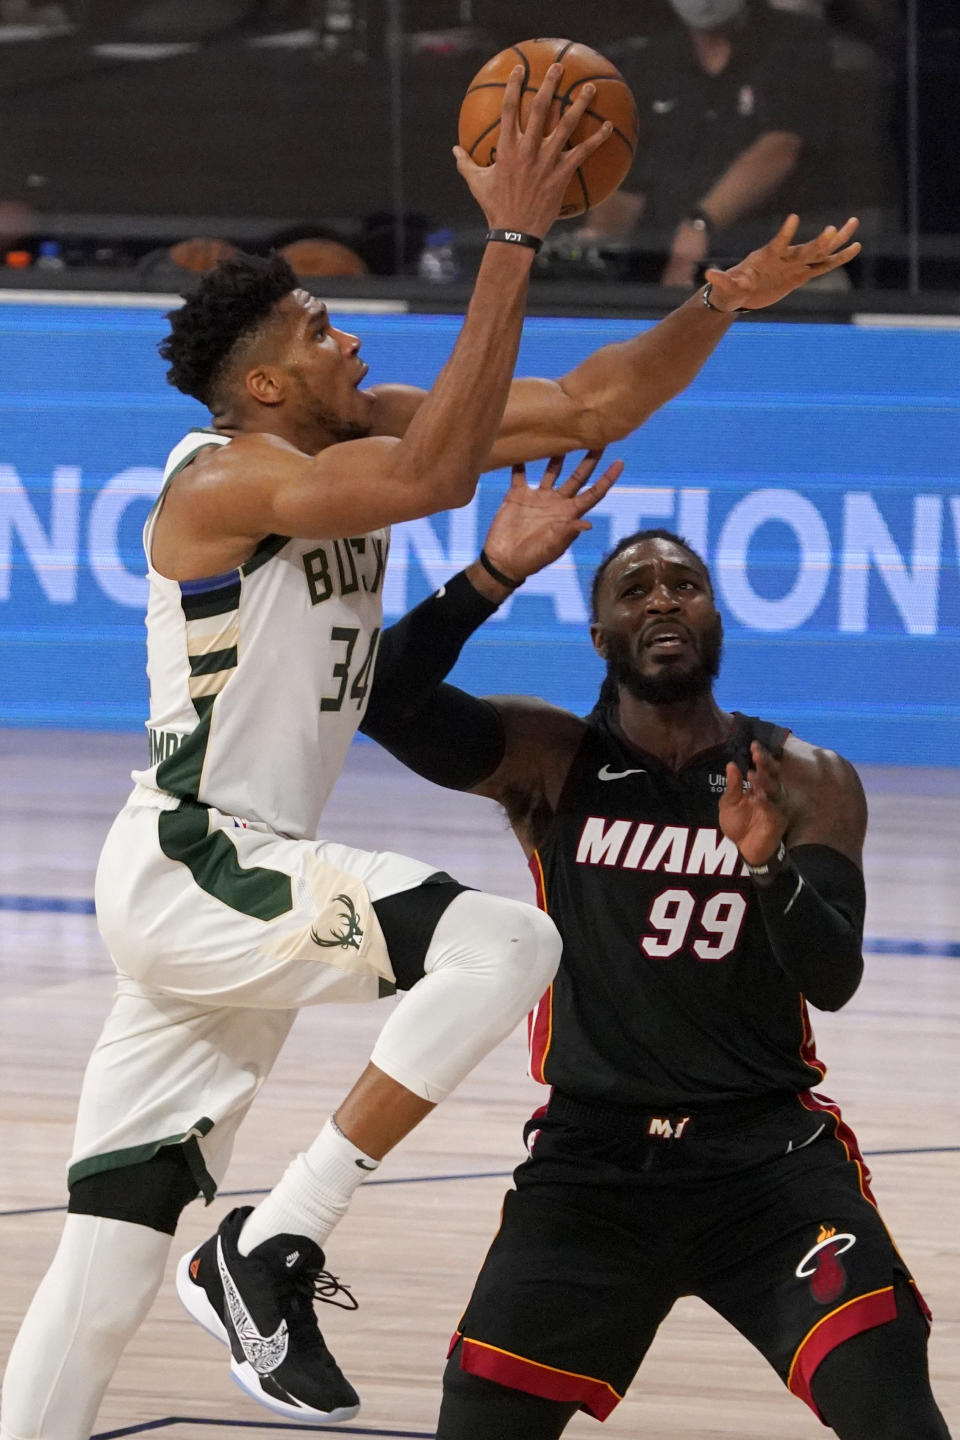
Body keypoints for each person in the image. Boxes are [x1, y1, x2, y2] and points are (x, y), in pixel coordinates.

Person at [0, 56, 861, 1440]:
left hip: (234, 889)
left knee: (103, 1266)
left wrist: (715, 304)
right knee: (509, 946)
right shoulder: (230, 481)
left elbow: (584, 409)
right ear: (267, 381)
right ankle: (273, 1245)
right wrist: (513, 237)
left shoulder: (355, 429)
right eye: (325, 331)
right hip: (201, 861)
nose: (352, 345)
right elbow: (430, 481)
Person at [358, 456, 952, 1440]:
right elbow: (380, 700)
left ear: (716, 620)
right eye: (635, 589)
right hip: (593, 1164)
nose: (664, 598)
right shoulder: (550, 761)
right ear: (600, 636)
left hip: (770, 1163)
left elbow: (833, 977)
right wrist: (491, 576)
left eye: (685, 584)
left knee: (897, 1416)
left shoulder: (804, 778)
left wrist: (769, 869)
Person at [579, 0, 837, 287]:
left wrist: (699, 226)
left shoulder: (794, 40)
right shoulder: (652, 60)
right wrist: (596, 246)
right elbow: (629, 185)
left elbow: (781, 147)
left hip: (782, 265)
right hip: (667, 277)